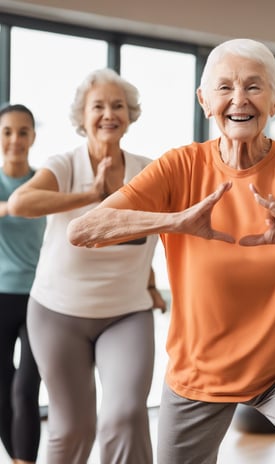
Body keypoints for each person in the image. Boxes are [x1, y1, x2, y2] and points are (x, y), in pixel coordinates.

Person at [66, 38, 275, 464]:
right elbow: (84, 230)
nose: (239, 99)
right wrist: (174, 221)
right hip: (199, 368)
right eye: (224, 88)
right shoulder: (180, 166)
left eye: (254, 87)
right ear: (204, 100)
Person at [8, 69, 166, 464]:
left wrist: (149, 281)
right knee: (71, 426)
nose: (109, 114)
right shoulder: (65, 164)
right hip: (57, 314)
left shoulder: (148, 171)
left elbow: (150, 235)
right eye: (99, 106)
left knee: (126, 416)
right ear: (83, 116)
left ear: (130, 115)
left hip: (125, 314)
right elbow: (21, 204)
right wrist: (90, 195)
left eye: (118, 106)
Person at [0, 104, 46, 464]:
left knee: (26, 388)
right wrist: (8, 207)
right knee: (2, 388)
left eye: (23, 132)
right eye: (7, 132)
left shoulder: (43, 182)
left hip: (38, 298)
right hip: (0, 299)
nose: (15, 139)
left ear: (32, 136)